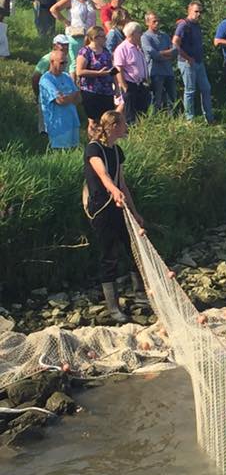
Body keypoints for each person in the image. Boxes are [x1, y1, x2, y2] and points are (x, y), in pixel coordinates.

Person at [83, 110, 146, 323]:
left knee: (132, 248)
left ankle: (140, 295)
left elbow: (122, 183)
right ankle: (113, 307)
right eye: (123, 124)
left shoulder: (117, 151)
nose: (126, 127)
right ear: (113, 126)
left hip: (119, 208)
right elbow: (104, 175)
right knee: (108, 255)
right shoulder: (94, 148)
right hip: (101, 208)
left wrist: (134, 211)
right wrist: (113, 191)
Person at [50, 0, 105, 75]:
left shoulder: (89, 0)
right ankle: (73, 84)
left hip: (89, 36)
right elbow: (54, 9)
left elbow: (102, 6)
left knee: (88, 60)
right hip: (76, 35)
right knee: (75, 61)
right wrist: (66, 21)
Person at [173, 1, 214, 123]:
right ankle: (190, 120)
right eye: (196, 11)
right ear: (189, 11)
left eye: (200, 12)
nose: (199, 14)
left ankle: (209, 118)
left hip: (199, 62)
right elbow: (175, 42)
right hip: (187, 62)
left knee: (206, 88)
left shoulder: (197, 25)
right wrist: (186, 57)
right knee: (190, 90)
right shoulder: (183, 25)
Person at [76, 25, 118, 131]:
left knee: (107, 120)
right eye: (102, 36)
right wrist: (98, 73)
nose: (105, 38)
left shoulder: (106, 51)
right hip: (91, 91)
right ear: (94, 38)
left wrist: (117, 87)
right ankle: (93, 142)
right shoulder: (85, 51)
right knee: (94, 121)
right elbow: (79, 71)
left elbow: (112, 70)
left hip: (106, 91)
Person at [38, 49, 81, 149]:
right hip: (58, 126)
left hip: (72, 121)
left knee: (74, 150)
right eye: (62, 62)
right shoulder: (46, 80)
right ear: (52, 62)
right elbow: (60, 101)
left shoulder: (66, 76)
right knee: (60, 151)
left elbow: (78, 98)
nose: (65, 65)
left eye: (66, 62)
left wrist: (67, 96)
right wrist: (71, 95)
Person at [32, 33, 72, 134]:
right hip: (47, 94)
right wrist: (37, 94)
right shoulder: (47, 58)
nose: (65, 47)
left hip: (61, 94)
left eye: (66, 44)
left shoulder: (68, 58)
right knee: (45, 123)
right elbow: (36, 76)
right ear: (55, 45)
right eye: (62, 44)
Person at [113, 21, 150, 122]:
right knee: (130, 115)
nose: (141, 35)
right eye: (139, 32)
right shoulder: (122, 49)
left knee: (142, 113)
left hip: (141, 84)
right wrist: (124, 86)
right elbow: (117, 69)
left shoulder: (138, 48)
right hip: (130, 85)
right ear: (132, 34)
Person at [142, 10, 177, 112]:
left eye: (158, 21)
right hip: (155, 73)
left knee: (172, 99)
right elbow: (154, 54)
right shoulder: (145, 37)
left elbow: (175, 51)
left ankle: (172, 121)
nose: (157, 23)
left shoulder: (164, 35)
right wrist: (166, 54)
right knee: (156, 100)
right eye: (154, 21)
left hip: (168, 72)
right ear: (147, 22)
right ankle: (154, 121)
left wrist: (162, 53)